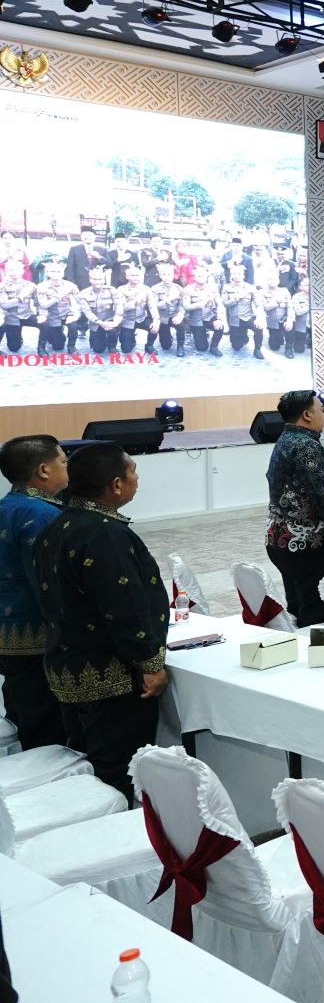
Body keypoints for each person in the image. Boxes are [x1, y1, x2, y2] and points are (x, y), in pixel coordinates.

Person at [33, 443, 168, 804]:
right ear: (116, 485)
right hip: (110, 674)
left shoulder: (57, 525)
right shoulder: (104, 533)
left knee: (89, 759)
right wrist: (150, 663)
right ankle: (120, 830)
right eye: (133, 471)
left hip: (68, 664)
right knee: (118, 771)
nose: (137, 478)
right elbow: (124, 606)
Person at [0, 436, 67, 750]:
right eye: (63, 462)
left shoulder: (7, 506)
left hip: (7, 629)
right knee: (44, 723)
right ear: (43, 470)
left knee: (20, 708)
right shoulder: (41, 514)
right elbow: (48, 584)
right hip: (36, 634)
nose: (67, 468)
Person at [265, 389, 324, 627]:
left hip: (281, 538)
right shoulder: (306, 446)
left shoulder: (285, 440)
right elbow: (322, 494)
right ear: (306, 415)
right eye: (321, 411)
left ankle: (298, 646)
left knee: (298, 607)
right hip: (306, 542)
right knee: (316, 614)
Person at [77, 266, 120, 353]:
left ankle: (112, 345)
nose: (98, 282)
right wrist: (100, 323)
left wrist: (116, 321)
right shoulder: (83, 294)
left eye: (100, 279)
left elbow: (119, 306)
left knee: (113, 330)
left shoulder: (112, 290)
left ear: (104, 280)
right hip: (95, 323)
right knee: (98, 349)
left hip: (109, 320)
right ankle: (95, 337)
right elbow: (87, 312)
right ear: (90, 280)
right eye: (95, 279)